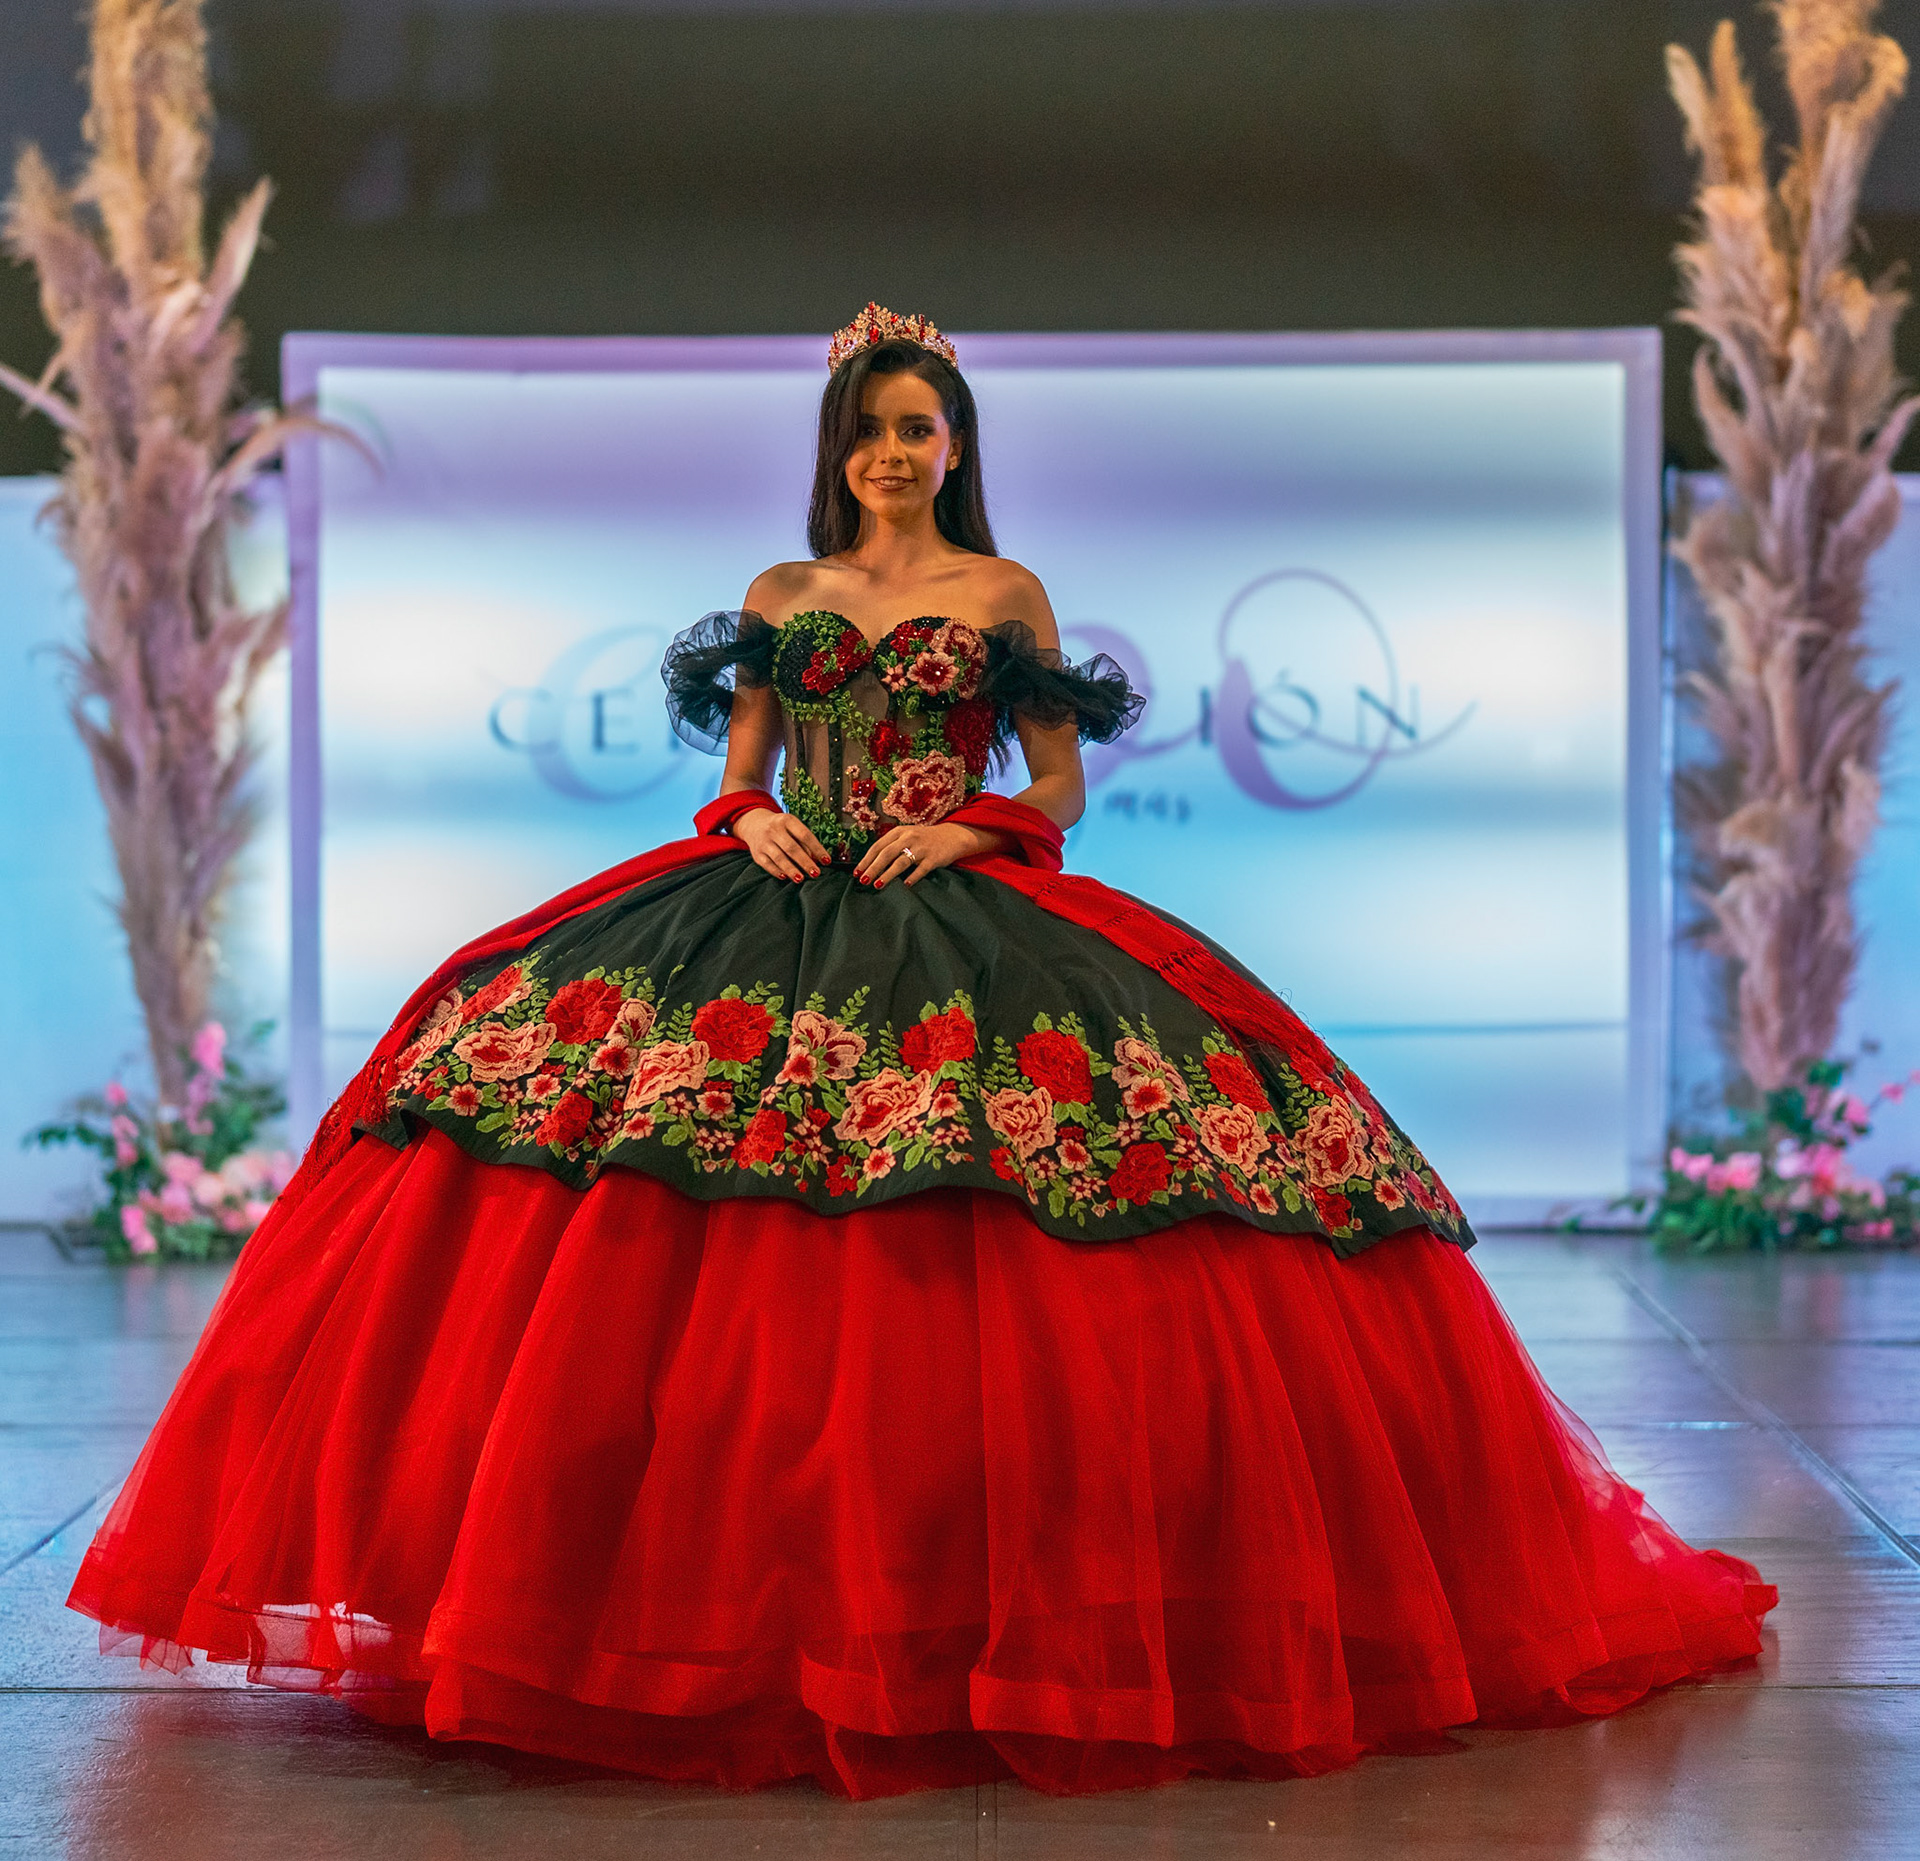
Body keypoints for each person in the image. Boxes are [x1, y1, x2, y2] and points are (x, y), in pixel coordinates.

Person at [68, 303, 1775, 1800]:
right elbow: (738, 768)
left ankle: (980, 1612)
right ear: (840, 449)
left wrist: (968, 829)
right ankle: (687, 1613)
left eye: (920, 426)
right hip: (776, 900)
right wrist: (748, 820)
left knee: (1043, 1189)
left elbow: (1060, 782)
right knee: (639, 1173)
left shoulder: (1002, 590)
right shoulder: (781, 592)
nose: (896, 451)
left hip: (951, 899)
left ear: (956, 444)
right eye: (872, 429)